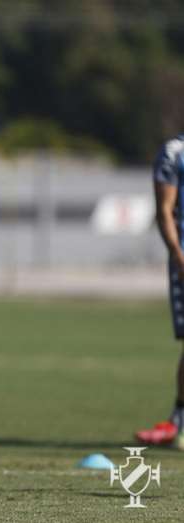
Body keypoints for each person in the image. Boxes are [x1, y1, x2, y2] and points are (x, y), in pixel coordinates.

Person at [136, 135, 184, 449]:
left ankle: (177, 419)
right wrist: (180, 258)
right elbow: (164, 211)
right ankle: (178, 420)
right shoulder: (173, 153)